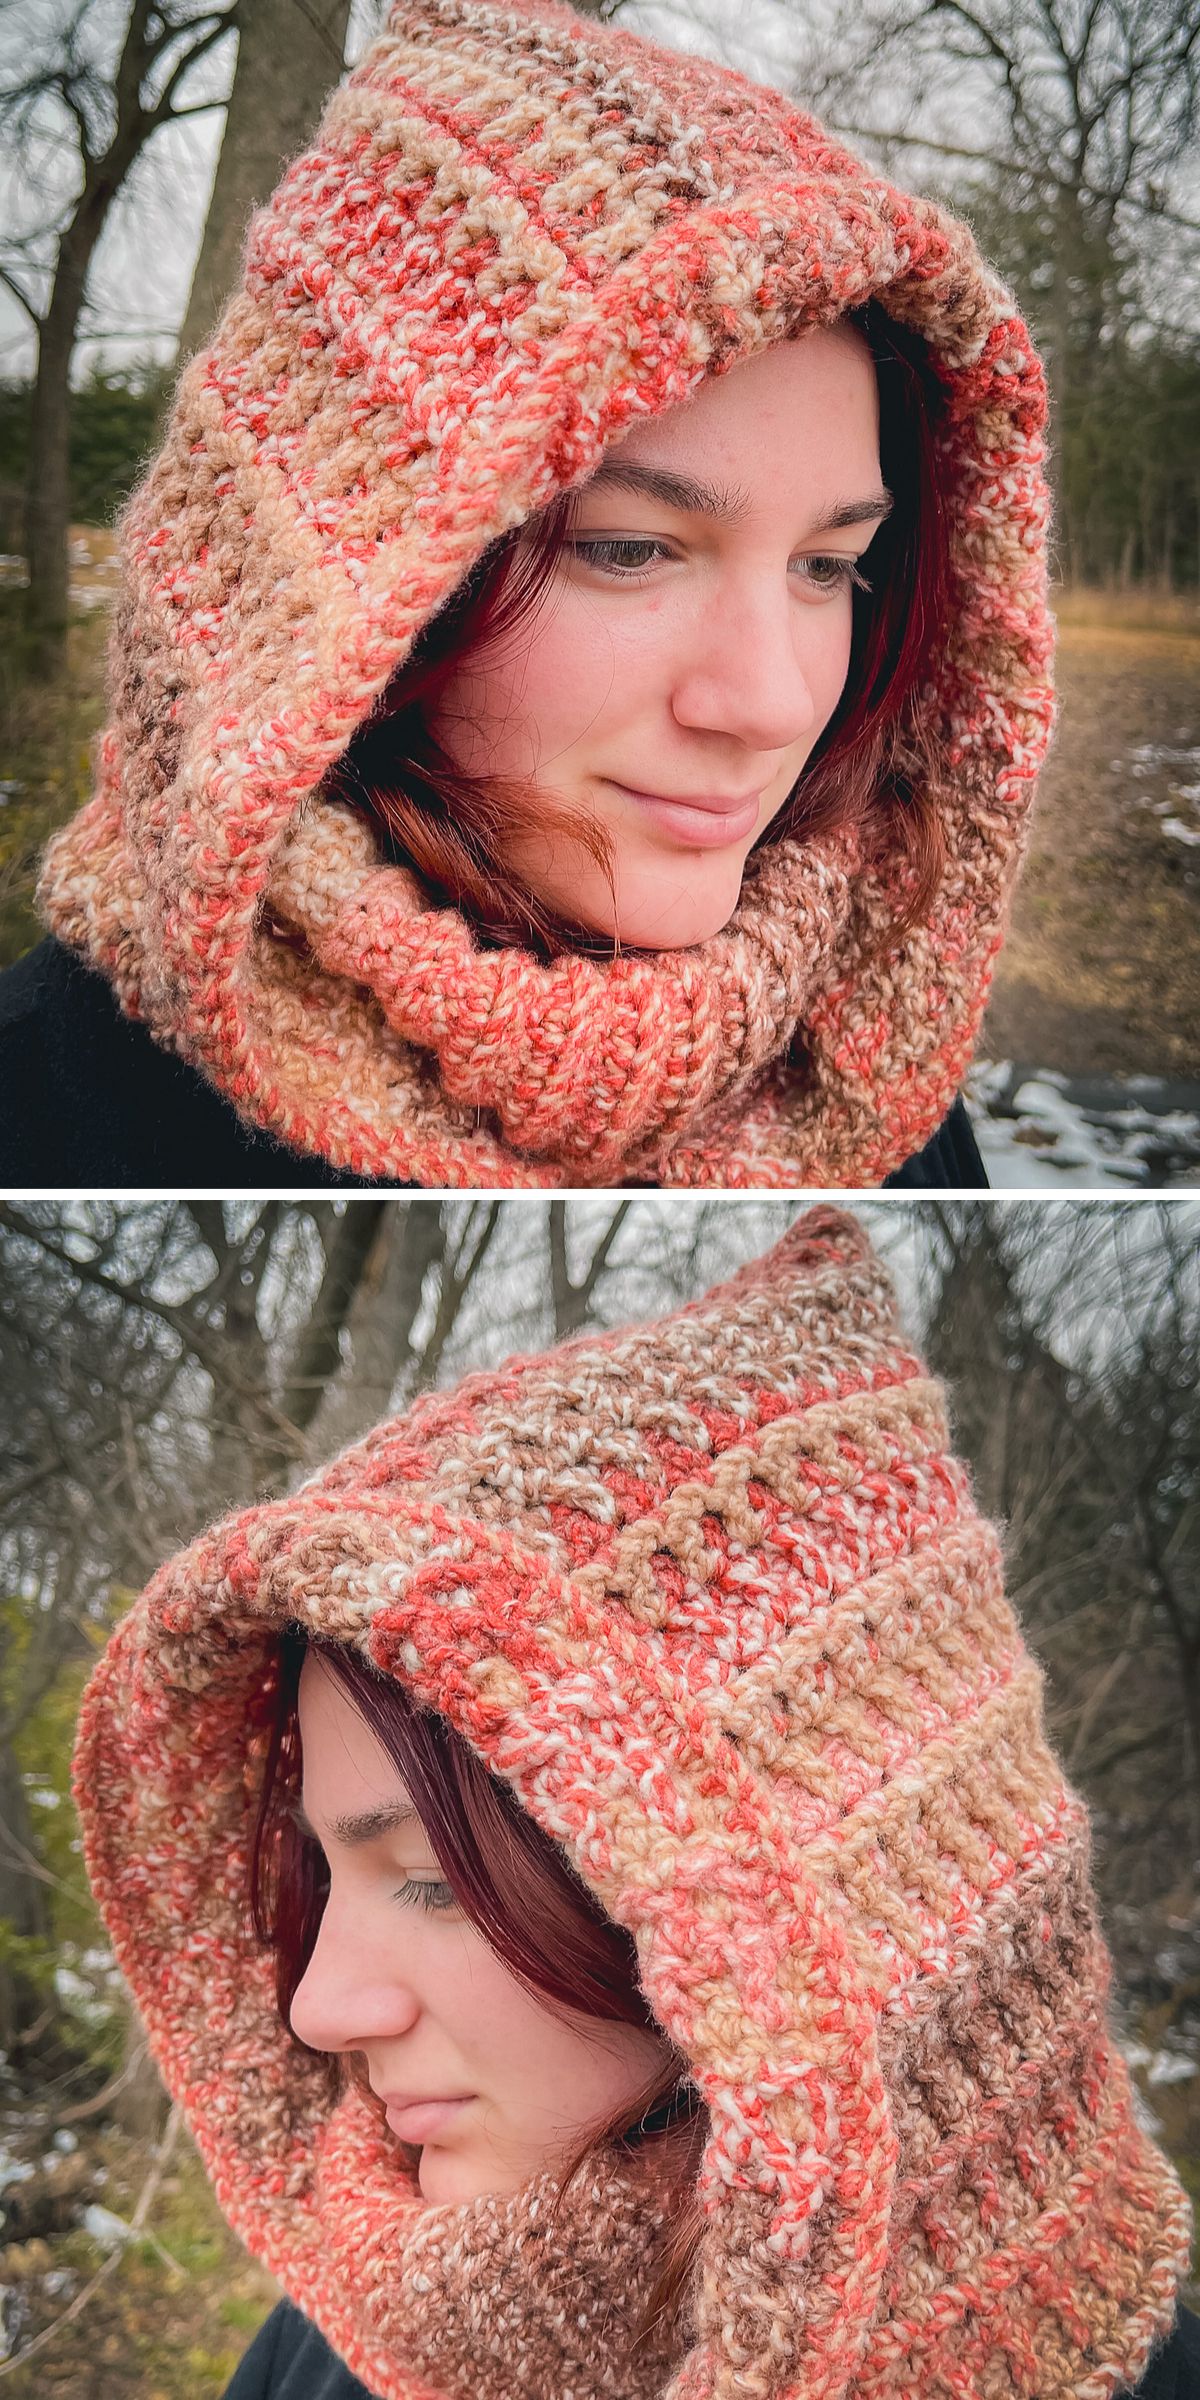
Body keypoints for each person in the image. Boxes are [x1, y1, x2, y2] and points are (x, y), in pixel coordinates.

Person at [72, 1207, 1198, 2398]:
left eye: (427, 1879)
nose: (318, 2010)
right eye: (322, 1873)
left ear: (830, 1909)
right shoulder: (334, 2355)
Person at [0, 0, 1055, 1189]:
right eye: (630, 550)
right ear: (348, 583)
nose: (768, 703)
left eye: (827, 566)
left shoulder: (858, 1100)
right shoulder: (47, 1114)